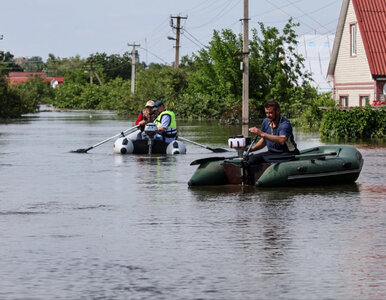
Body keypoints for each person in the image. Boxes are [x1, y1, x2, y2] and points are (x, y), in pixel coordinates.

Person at [247, 99, 299, 166]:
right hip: (272, 153)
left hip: (288, 153)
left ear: (278, 111)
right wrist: (251, 149)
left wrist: (261, 133)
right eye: (266, 113)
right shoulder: (266, 122)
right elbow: (264, 140)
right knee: (250, 159)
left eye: (270, 113)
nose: (268, 115)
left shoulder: (285, 123)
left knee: (263, 158)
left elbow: (282, 140)